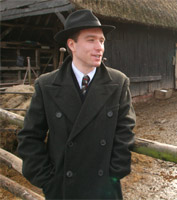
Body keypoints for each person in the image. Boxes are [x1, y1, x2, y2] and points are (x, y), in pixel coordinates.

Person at [17, 9, 136, 199]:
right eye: (91, 40)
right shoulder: (46, 85)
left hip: (104, 189)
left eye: (102, 40)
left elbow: (125, 131)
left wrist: (114, 174)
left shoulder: (119, 82)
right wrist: (48, 181)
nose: (100, 47)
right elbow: (30, 137)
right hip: (63, 190)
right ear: (72, 44)